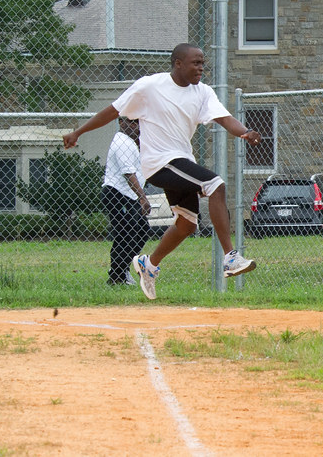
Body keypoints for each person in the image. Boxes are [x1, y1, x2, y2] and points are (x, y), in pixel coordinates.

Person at [64, 43, 261, 299]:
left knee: (187, 224)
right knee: (215, 184)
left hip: (180, 161)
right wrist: (78, 132)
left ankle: (149, 264)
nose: (200, 68)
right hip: (159, 163)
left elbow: (224, 118)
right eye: (195, 63)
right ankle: (230, 257)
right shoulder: (150, 86)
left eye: (202, 63)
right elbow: (113, 111)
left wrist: (245, 132)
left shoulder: (203, 92)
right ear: (178, 63)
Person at [102, 117, 151, 285]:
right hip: (118, 194)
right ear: (121, 122)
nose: (135, 126)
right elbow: (129, 174)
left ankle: (121, 269)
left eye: (137, 122)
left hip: (129, 196)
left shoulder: (131, 142)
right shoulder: (123, 142)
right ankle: (117, 275)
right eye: (131, 122)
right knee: (125, 234)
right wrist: (142, 197)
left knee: (142, 230)